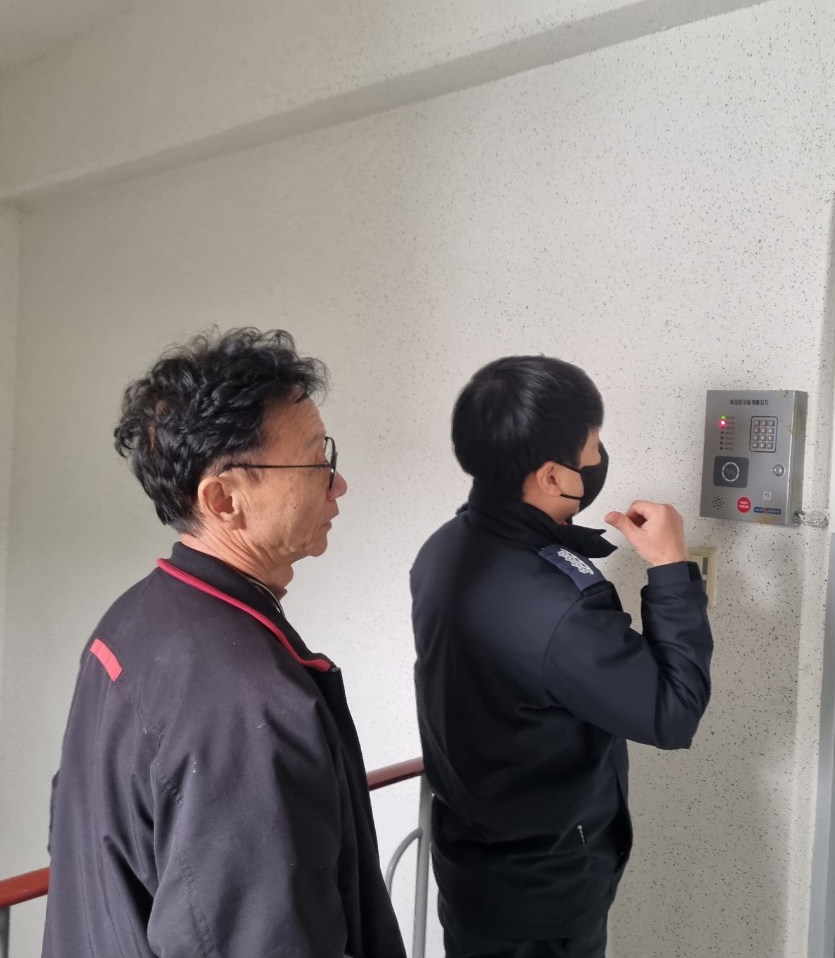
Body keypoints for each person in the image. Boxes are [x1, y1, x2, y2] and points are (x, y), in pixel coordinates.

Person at [43, 328, 406, 958]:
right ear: (223, 499)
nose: (338, 484)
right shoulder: (245, 698)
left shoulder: (133, 619)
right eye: (317, 461)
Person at [412, 355, 714, 958]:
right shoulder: (559, 607)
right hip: (542, 900)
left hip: (474, 868)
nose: (599, 460)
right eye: (592, 449)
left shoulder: (444, 548)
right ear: (552, 476)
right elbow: (673, 713)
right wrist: (670, 568)